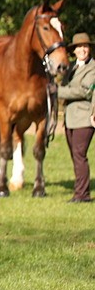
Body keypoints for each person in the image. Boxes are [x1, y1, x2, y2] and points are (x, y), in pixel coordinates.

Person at [57, 32, 94, 203]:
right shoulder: (72, 67)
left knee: (79, 154)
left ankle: (82, 195)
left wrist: (57, 91)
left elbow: (84, 91)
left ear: (89, 49)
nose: (82, 50)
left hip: (84, 118)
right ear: (74, 50)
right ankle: (80, 190)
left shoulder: (93, 68)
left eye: (85, 46)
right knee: (75, 156)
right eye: (79, 47)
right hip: (70, 119)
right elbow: (65, 85)